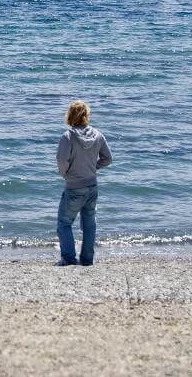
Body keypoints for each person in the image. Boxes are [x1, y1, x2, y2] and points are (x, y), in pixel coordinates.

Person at [54, 100, 112, 266]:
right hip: (92, 186)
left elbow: (61, 161)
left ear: (70, 116)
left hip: (74, 186)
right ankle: (87, 259)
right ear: (86, 115)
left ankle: (69, 258)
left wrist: (66, 174)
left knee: (64, 223)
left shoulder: (68, 137)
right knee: (89, 223)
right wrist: (94, 167)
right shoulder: (97, 135)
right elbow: (108, 159)